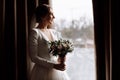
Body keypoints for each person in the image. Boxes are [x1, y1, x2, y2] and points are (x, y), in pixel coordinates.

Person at [29, 4, 70, 80]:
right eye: (51, 14)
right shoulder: (35, 32)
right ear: (42, 16)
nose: (54, 17)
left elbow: (59, 51)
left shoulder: (54, 32)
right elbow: (33, 57)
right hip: (42, 72)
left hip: (57, 70)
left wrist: (62, 58)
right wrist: (53, 66)